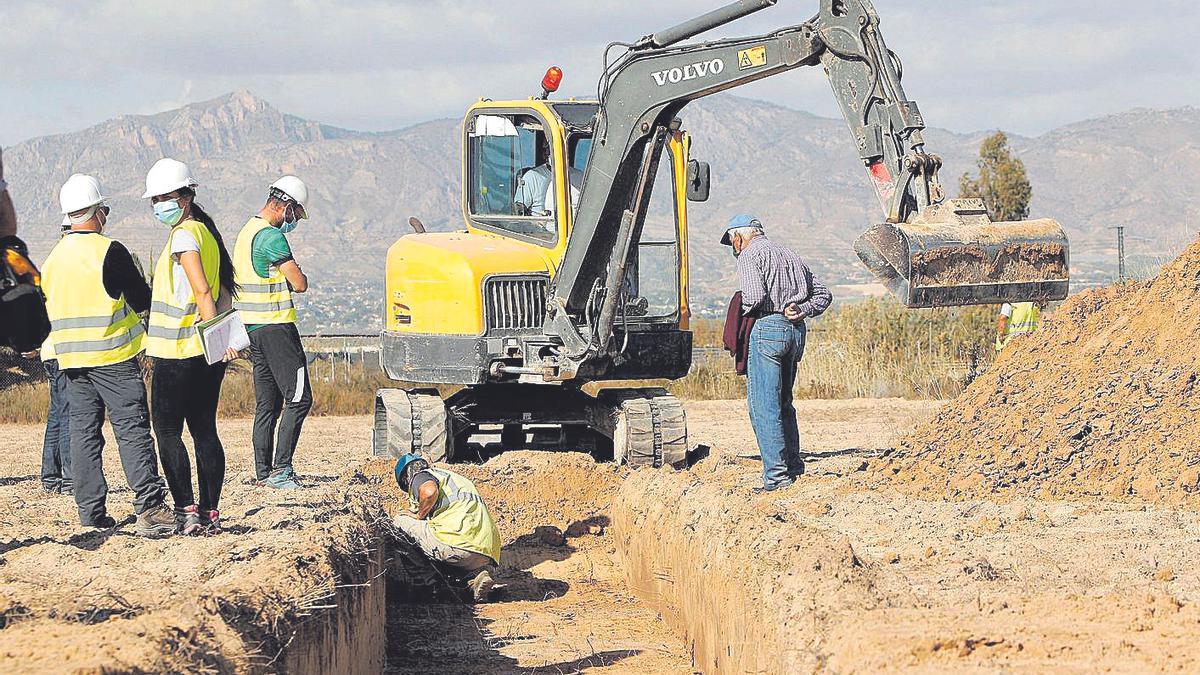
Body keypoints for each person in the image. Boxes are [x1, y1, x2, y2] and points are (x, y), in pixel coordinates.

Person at [42, 174, 174, 535]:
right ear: (96, 212)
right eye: (105, 210)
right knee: (131, 430)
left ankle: (91, 512)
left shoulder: (52, 260)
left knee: (82, 434)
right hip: (112, 357)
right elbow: (141, 299)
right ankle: (150, 508)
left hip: (71, 363)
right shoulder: (107, 250)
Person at [142, 158, 240, 535]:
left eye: (164, 198)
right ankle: (212, 513)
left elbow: (202, 289)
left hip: (177, 351)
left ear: (185, 197)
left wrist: (214, 333)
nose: (158, 206)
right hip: (205, 355)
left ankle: (187, 512)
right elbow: (223, 289)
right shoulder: (206, 232)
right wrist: (219, 342)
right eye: (154, 200)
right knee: (204, 431)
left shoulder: (184, 236)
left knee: (167, 432)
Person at [722, 214, 832, 492]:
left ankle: (777, 478)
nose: (734, 248)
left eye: (732, 242)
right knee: (784, 403)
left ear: (738, 238)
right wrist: (802, 309)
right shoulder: (789, 253)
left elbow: (755, 297)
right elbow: (823, 294)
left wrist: (739, 311)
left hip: (768, 329)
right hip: (795, 333)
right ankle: (793, 468)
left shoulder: (749, 255)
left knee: (763, 407)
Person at [233, 176, 312, 490]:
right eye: (296, 214)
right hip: (277, 327)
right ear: (287, 207)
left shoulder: (246, 232)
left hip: (253, 329)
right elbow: (300, 283)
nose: (295, 221)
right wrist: (299, 272)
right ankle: (281, 470)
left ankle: (263, 472)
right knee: (299, 398)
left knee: (267, 403)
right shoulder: (272, 238)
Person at [392, 454, 501, 602]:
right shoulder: (455, 479)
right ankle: (475, 579)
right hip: (486, 553)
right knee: (444, 542)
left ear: (406, 477)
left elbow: (429, 492)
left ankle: (427, 585)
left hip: (456, 544)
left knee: (399, 522)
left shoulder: (420, 476)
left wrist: (419, 515)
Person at [25, 217, 74, 495]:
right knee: (67, 415)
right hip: (65, 351)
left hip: (49, 351)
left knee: (56, 415)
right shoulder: (71, 266)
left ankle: (51, 477)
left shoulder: (50, 265)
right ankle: (68, 478)